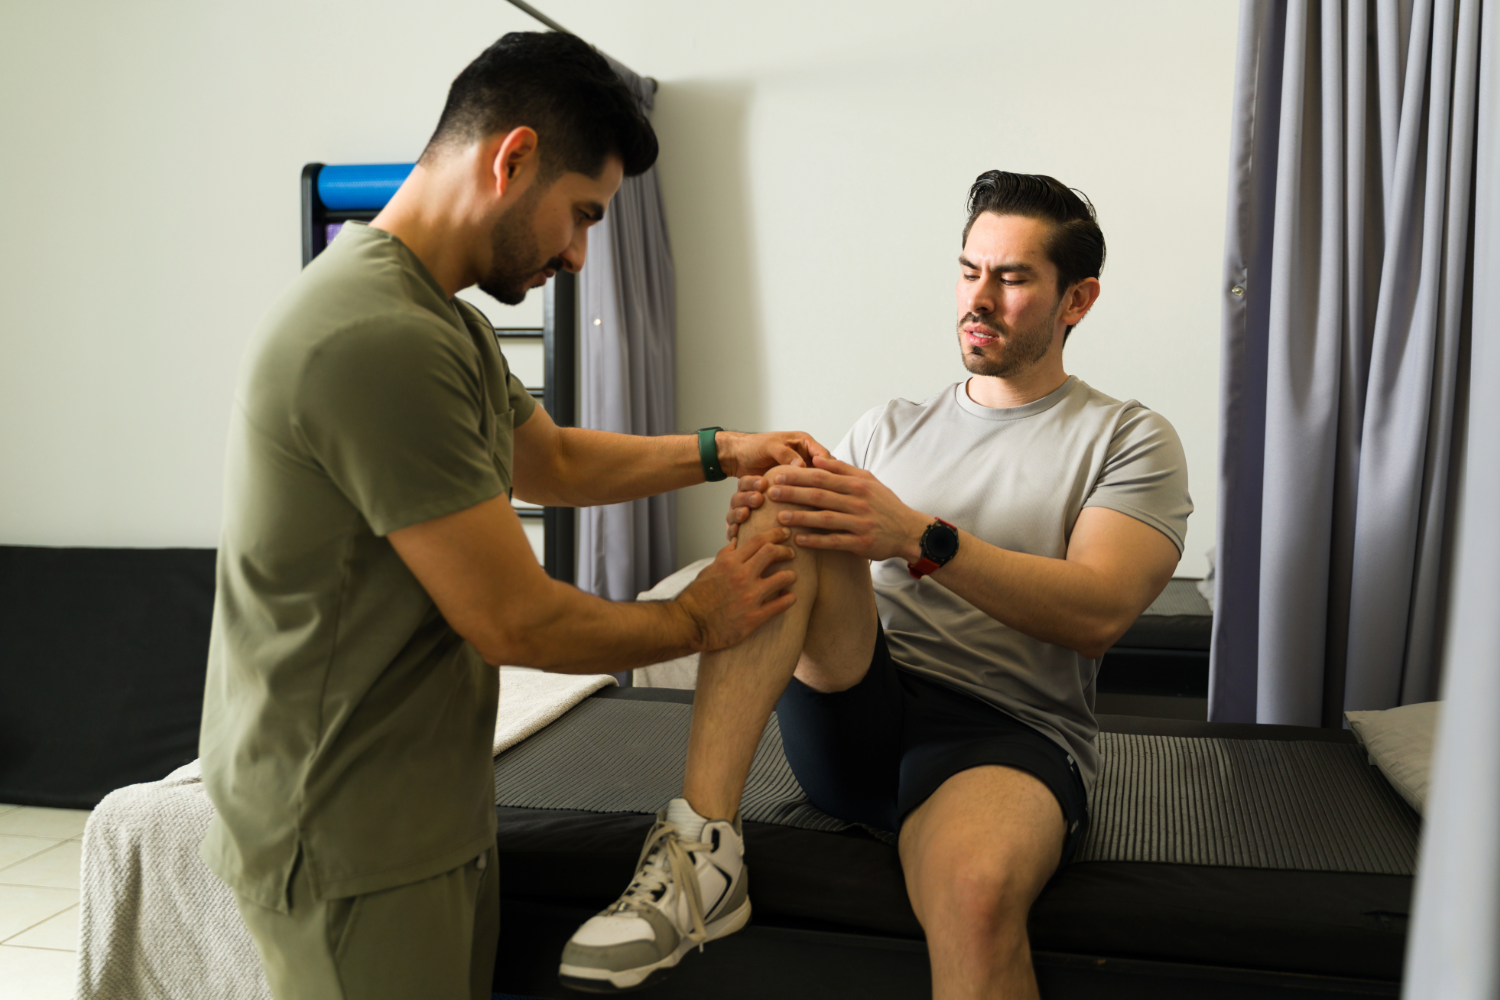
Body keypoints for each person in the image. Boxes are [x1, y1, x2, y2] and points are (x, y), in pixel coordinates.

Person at [198, 32, 823, 1000]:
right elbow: (513, 619)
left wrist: (724, 449)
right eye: (580, 216)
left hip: (417, 803)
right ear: (513, 156)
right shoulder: (376, 337)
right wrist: (699, 618)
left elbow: (557, 460)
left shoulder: (441, 319)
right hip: (347, 826)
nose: (579, 254)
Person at [559, 171, 1192, 998]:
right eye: (970, 271)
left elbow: (1099, 612)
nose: (980, 298)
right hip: (855, 703)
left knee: (973, 897)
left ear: (1077, 301)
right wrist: (765, 512)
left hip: (1002, 734)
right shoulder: (888, 425)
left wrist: (916, 537)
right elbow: (816, 564)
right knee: (793, 493)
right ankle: (701, 857)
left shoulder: (1127, 437)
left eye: (1012, 278)